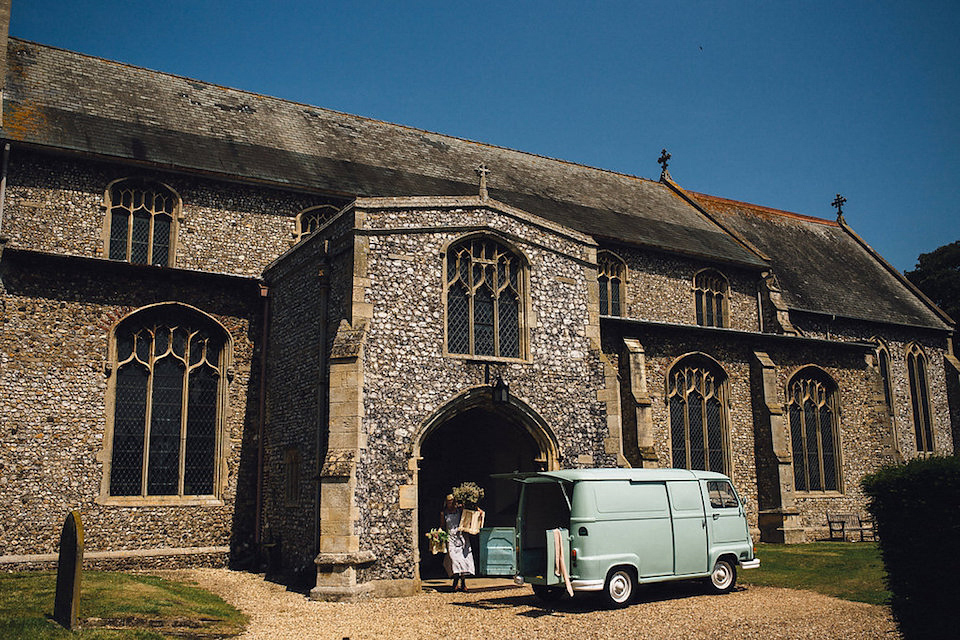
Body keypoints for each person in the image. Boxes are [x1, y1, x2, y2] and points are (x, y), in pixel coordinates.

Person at [442, 494, 475, 592]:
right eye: (449, 502)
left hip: (461, 537)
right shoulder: (444, 513)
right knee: (454, 560)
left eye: (452, 501)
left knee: (463, 559)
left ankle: (463, 582)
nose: (450, 503)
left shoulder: (459, 510)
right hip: (451, 538)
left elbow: (470, 513)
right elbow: (442, 526)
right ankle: (455, 580)